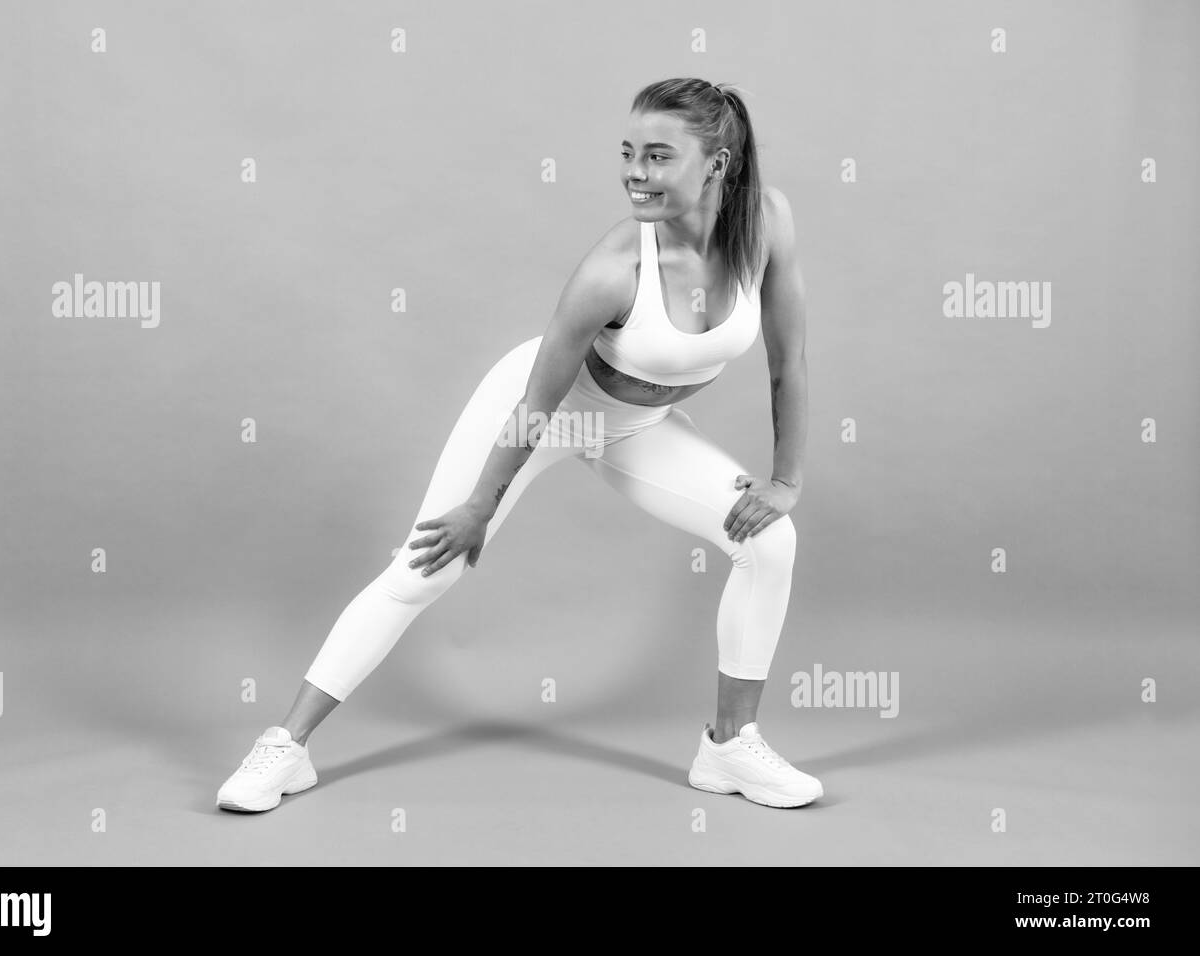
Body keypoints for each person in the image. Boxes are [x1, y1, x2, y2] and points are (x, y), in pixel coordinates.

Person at [217, 77, 821, 813]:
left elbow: (787, 362)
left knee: (771, 541)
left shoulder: (767, 223)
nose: (635, 171)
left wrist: (785, 480)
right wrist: (480, 503)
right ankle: (284, 749)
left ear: (718, 166)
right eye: (628, 153)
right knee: (424, 569)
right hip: (545, 411)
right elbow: (534, 406)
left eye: (658, 156)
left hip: (637, 429)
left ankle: (728, 750)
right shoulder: (615, 270)